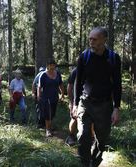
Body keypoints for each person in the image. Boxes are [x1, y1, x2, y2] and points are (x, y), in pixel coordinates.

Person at [73, 27, 121, 167]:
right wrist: (75, 104)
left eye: (94, 39)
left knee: (101, 140)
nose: (91, 42)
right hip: (85, 103)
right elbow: (78, 82)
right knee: (83, 136)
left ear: (104, 40)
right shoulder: (84, 56)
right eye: (90, 39)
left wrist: (116, 108)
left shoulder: (113, 58)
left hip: (105, 105)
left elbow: (117, 84)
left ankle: (95, 162)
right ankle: (84, 163)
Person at [37, 59, 64, 137]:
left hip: (55, 97)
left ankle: (50, 126)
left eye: (53, 65)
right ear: (47, 66)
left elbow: (61, 84)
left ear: (55, 66)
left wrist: (62, 94)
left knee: (52, 112)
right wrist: (38, 95)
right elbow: (39, 86)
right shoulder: (43, 75)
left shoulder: (57, 74)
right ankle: (48, 130)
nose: (52, 66)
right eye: (50, 65)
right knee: (47, 113)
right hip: (46, 97)